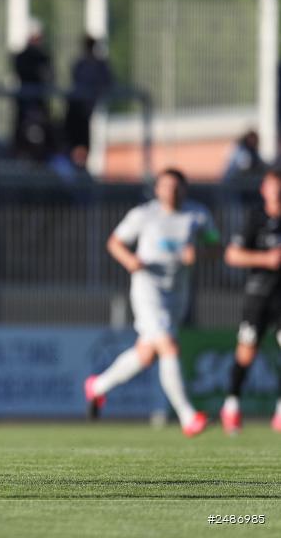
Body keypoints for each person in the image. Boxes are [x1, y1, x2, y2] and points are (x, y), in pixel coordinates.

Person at [85, 168, 218, 437]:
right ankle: (187, 416)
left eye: (176, 186)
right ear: (157, 190)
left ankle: (97, 386)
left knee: (146, 354)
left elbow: (217, 246)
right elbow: (115, 243)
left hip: (177, 292)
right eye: (166, 186)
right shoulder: (143, 215)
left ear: (184, 189)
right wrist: (130, 260)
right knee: (169, 346)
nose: (171, 191)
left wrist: (201, 253)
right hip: (148, 289)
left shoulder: (198, 215)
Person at [219, 169, 281, 434]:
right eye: (272, 185)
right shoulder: (255, 218)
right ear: (263, 189)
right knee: (246, 353)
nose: (277, 190)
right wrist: (266, 259)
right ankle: (231, 405)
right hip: (259, 296)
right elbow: (232, 255)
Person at [12, 19, 55, 162]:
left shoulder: (42, 57)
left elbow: (49, 77)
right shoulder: (25, 58)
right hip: (27, 108)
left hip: (38, 107)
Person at [64, 35, 112, 151]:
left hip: (87, 108)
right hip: (80, 108)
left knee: (82, 141)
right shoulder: (83, 64)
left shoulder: (96, 65)